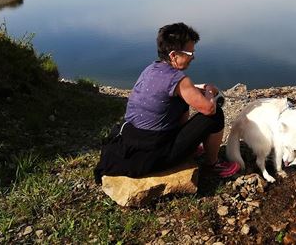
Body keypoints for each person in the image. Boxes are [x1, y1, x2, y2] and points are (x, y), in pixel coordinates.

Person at [94, 22, 239, 184]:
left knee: (181, 100)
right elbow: (209, 109)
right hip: (157, 153)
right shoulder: (179, 81)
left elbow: (169, 89)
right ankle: (213, 165)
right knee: (215, 115)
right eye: (189, 53)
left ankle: (190, 149)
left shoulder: (151, 70)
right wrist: (209, 91)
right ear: (173, 55)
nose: (193, 57)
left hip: (133, 144)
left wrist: (195, 88)